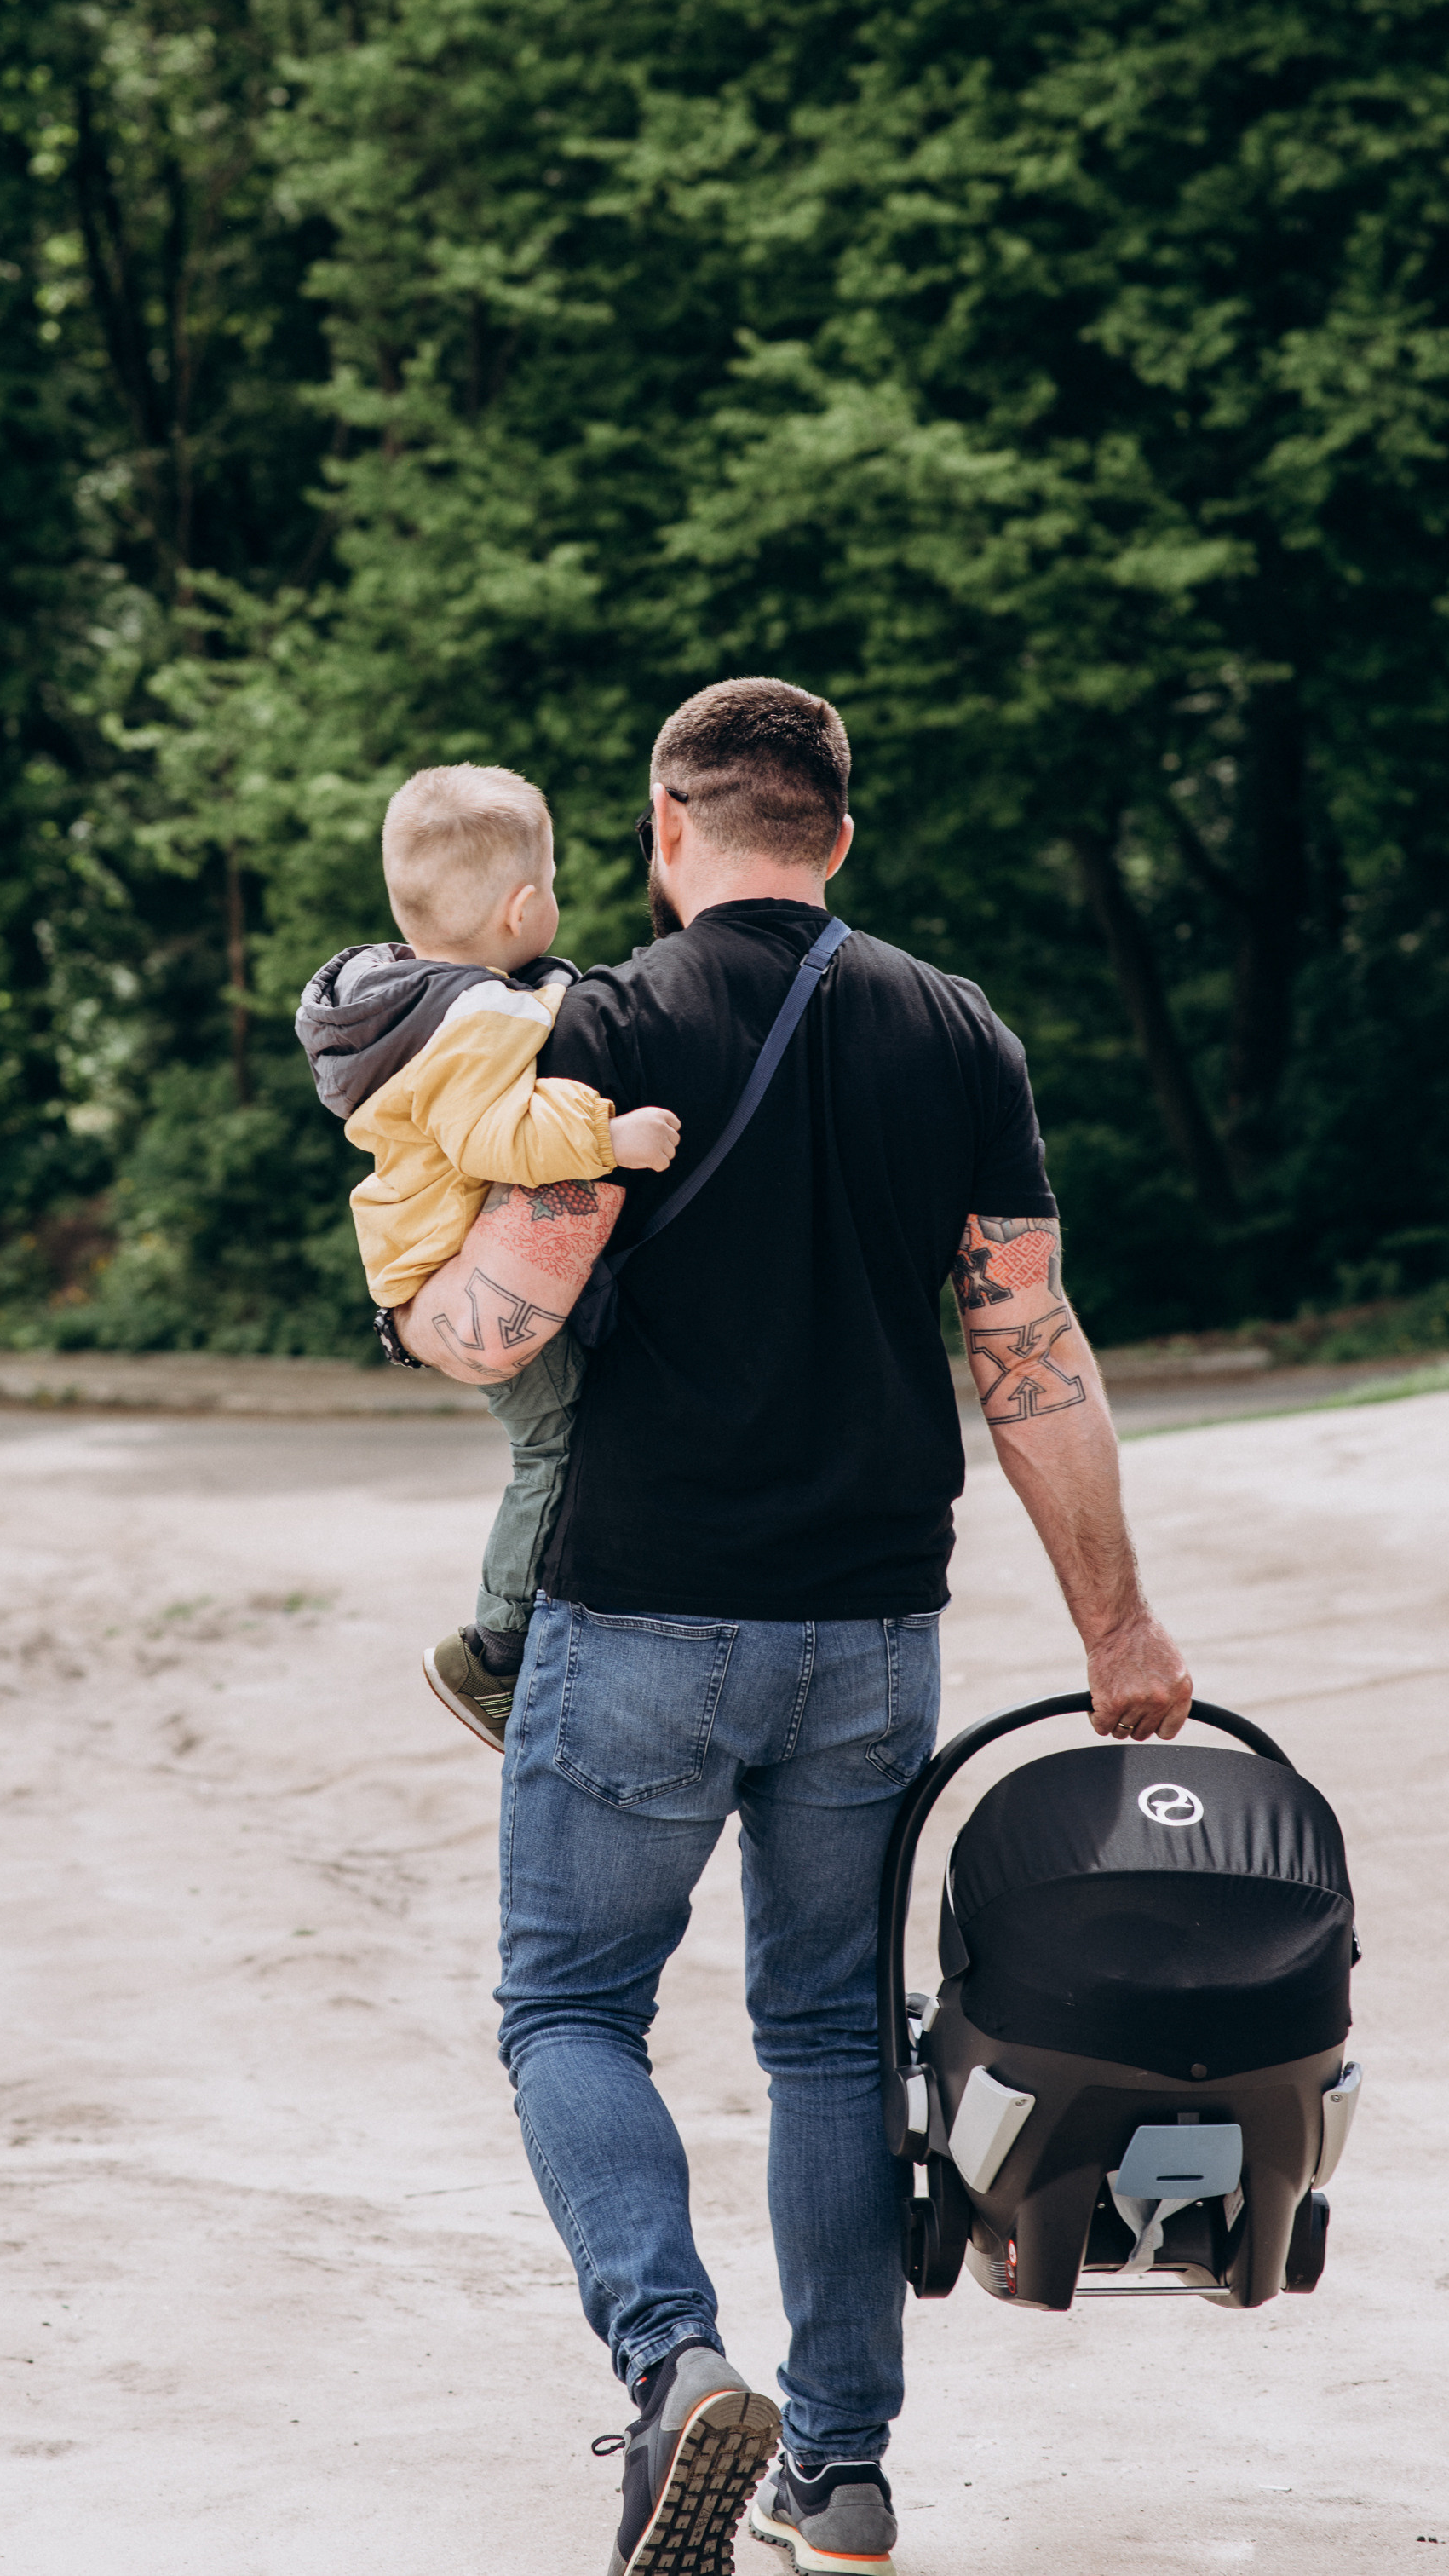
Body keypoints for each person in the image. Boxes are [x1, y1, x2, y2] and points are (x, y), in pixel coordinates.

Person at [394, 677, 1193, 2576]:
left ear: (668, 830)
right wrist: (1120, 1625)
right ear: (835, 835)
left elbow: (487, 1333)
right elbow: (1029, 1356)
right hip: (867, 1629)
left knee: (571, 2005)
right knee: (831, 2030)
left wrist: (417, 1272)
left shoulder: (593, 1026)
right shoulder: (955, 1030)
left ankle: (673, 2364)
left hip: (642, 1606)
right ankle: (838, 2474)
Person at [294, 762, 681, 1744]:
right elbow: (491, 1138)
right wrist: (610, 1135)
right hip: (448, 1270)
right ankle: (494, 1648)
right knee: (551, 1443)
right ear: (522, 905)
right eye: (549, 885)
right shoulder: (474, 1024)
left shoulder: (410, 998)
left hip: (424, 1255)